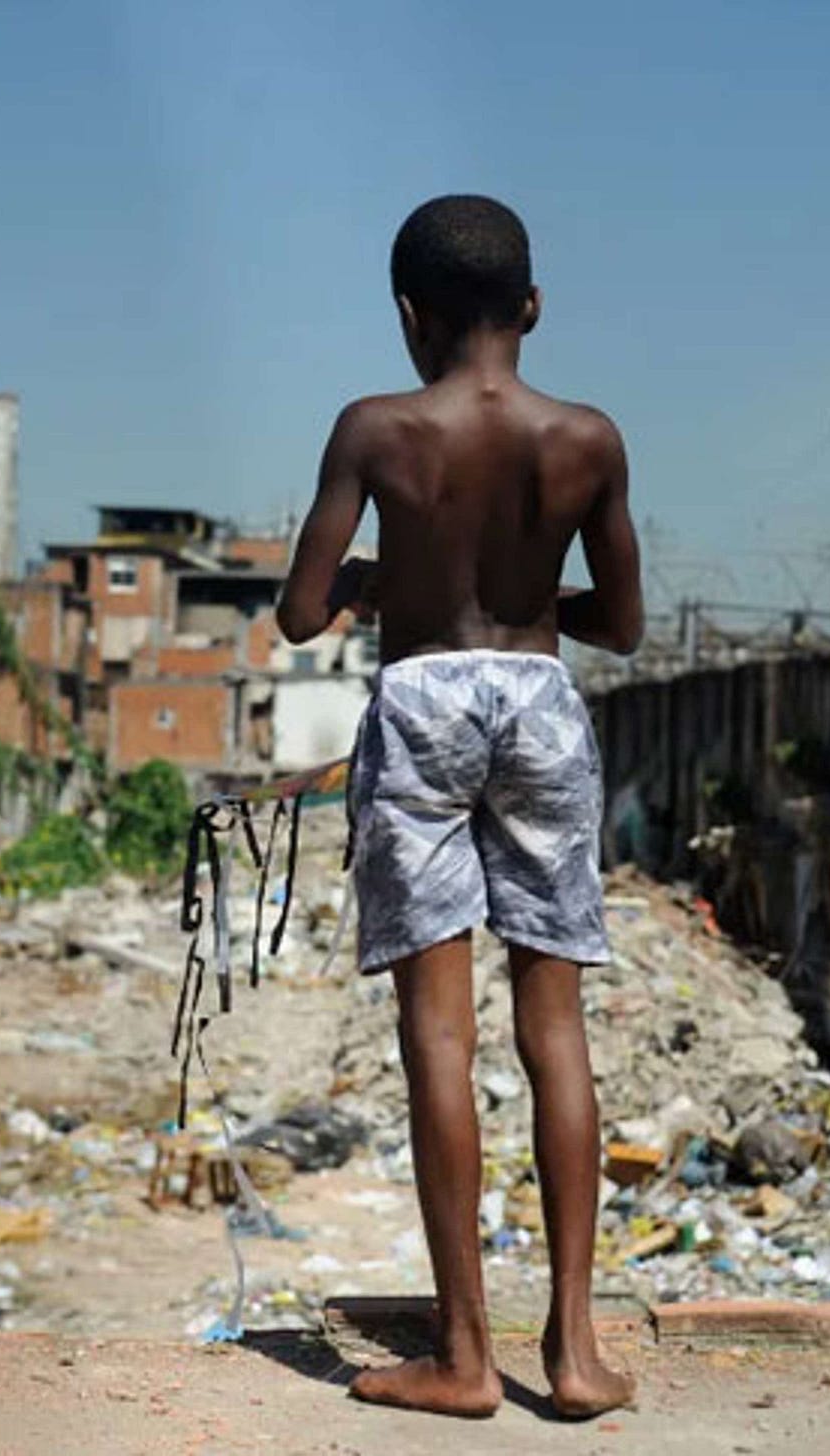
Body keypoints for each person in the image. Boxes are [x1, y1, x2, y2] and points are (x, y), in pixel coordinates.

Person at [275, 195, 644, 1420]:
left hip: (423, 702)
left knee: (439, 1034)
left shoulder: (375, 429)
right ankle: (577, 1353)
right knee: (557, 1029)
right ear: (531, 308)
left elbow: (298, 608)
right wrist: (535, 608)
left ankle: (465, 1357)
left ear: (408, 316)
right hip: (541, 699)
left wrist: (392, 585)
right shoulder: (587, 438)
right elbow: (626, 623)